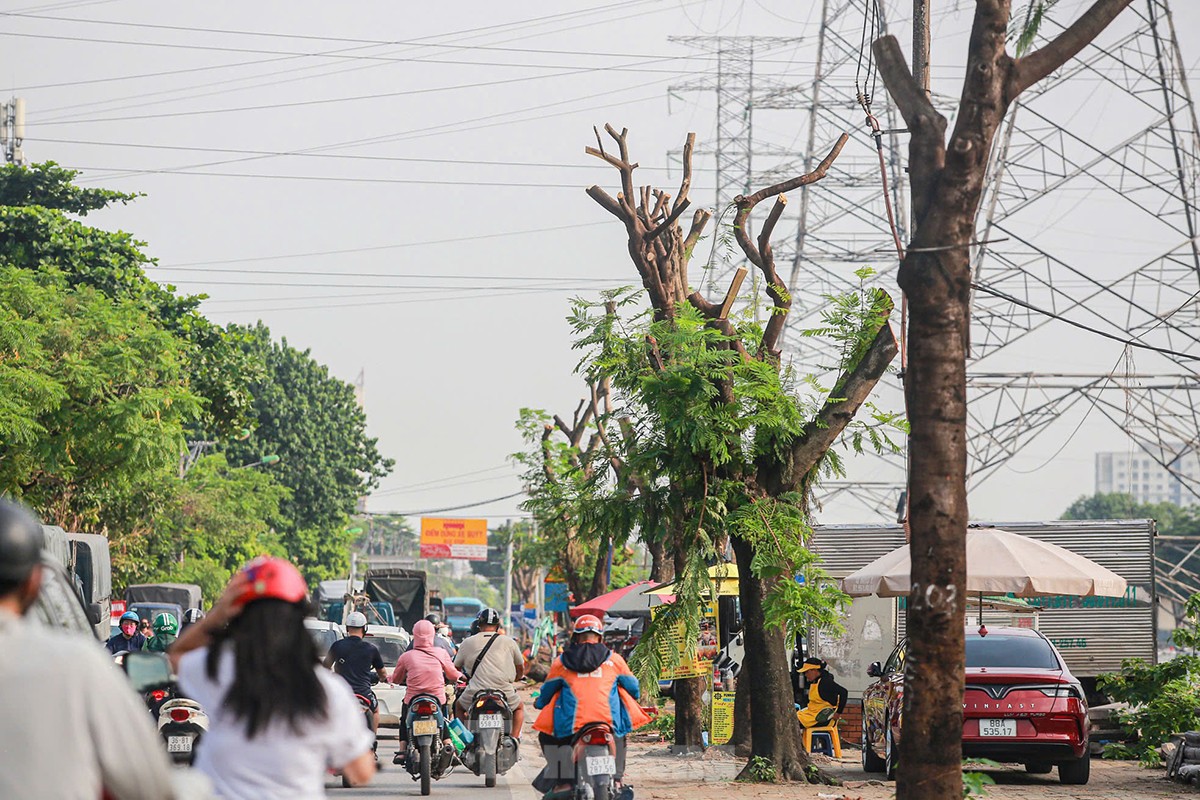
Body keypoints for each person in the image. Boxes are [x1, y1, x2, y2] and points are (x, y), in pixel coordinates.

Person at [0, 497, 177, 799]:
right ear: (33, 583)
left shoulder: (124, 647)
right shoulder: (79, 662)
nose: (131, 628)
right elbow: (149, 785)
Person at [170, 556, 376, 797]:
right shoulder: (328, 690)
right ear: (300, 618)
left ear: (239, 615)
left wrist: (221, 610)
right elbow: (361, 773)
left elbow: (177, 654)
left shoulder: (219, 672)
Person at [532, 614, 649, 797]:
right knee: (620, 736)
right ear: (600, 637)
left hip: (572, 727)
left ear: (577, 637)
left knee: (546, 738)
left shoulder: (561, 663)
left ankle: (564, 781)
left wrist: (539, 703)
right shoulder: (615, 660)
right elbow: (634, 689)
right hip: (608, 724)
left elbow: (546, 693)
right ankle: (617, 779)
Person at [388, 619, 462, 765]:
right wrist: (461, 677)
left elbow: (397, 679)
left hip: (412, 699)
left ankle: (402, 751)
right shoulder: (441, 653)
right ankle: (448, 744)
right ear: (432, 635)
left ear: (414, 635)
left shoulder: (406, 656)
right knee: (443, 719)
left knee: (404, 721)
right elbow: (453, 674)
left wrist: (389, 679)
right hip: (437, 698)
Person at [454, 607, 525, 741]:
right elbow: (520, 667)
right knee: (519, 708)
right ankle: (514, 740)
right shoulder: (509, 642)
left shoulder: (467, 642)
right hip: (503, 690)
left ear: (479, 625)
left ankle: (464, 740)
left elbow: (456, 667)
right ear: (497, 626)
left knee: (458, 706)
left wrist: (465, 678)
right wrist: (517, 677)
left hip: (475, 691)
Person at [324, 610, 388, 739]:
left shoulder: (337, 646)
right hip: (364, 694)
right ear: (365, 628)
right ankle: (373, 741)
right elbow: (382, 673)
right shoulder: (371, 649)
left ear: (347, 628)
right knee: (375, 710)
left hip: (341, 693)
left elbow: (325, 668)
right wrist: (382, 678)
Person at [795, 656, 848, 729]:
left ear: (815, 670)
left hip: (822, 718)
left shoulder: (825, 682)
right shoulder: (815, 681)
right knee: (791, 717)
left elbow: (844, 692)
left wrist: (838, 713)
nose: (806, 675)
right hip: (811, 713)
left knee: (793, 722)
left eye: (807, 672)